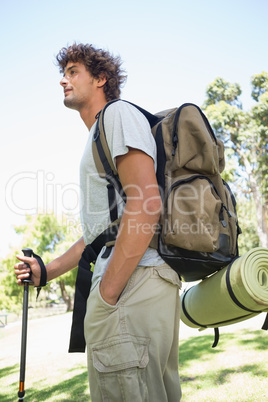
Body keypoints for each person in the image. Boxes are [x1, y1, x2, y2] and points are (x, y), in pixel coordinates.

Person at [14, 43, 182, 401]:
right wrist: (47, 270)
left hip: (130, 287)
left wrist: (107, 294)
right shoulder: (100, 134)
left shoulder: (116, 116)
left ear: (101, 78)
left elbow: (146, 203)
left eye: (74, 71)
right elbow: (101, 234)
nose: (64, 80)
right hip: (136, 285)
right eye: (64, 73)